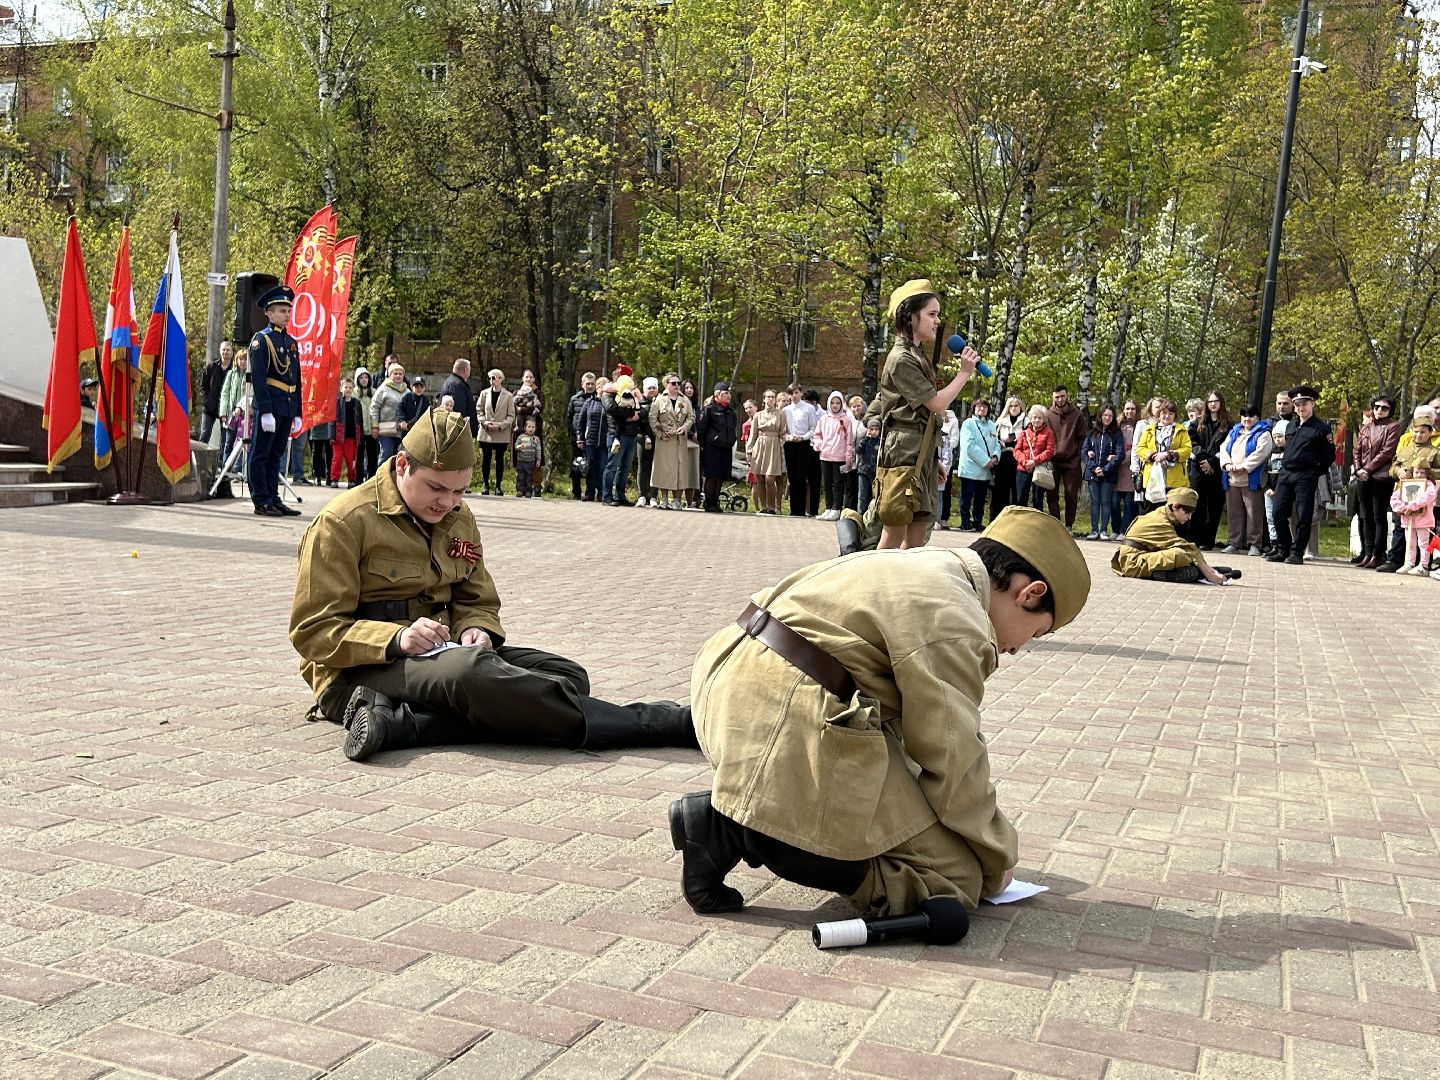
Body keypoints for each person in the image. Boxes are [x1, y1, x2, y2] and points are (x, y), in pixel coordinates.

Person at [670, 507, 1091, 917]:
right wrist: (996, 856)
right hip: (781, 711)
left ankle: (749, 812)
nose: (1018, 648)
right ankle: (740, 829)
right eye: (1035, 632)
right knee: (952, 878)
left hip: (728, 686)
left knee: (909, 820)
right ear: (1029, 593)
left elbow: (914, 735)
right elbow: (952, 757)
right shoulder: (960, 619)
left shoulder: (932, 564)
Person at [289, 408, 696, 760]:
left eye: (459, 490)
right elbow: (313, 631)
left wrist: (475, 628)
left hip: (444, 658)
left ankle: (404, 726)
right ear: (401, 465)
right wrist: (396, 639)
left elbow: (476, 596)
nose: (447, 502)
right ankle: (657, 723)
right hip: (356, 672)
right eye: (436, 487)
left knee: (566, 677)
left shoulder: (457, 517)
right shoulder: (343, 522)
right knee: (483, 678)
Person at [874, 280, 980, 549]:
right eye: (932, 314)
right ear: (911, 316)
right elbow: (936, 404)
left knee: (918, 532)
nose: (937, 321)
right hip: (904, 451)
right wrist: (964, 373)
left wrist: (932, 460)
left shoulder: (916, 355)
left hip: (919, 452)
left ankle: (905, 590)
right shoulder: (901, 358)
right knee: (895, 528)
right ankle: (874, 588)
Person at [248, 285, 303, 518]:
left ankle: (273, 497)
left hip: (287, 404)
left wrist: (298, 412)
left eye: (288, 311)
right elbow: (259, 379)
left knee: (276, 454)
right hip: (270, 405)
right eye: (281, 311)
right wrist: (266, 410)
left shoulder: (291, 342)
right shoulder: (261, 341)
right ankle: (261, 500)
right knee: (261, 453)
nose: (286, 315)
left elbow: (297, 379)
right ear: (269, 313)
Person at [1112, 487, 1242, 585]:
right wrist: (1211, 574)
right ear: (1175, 506)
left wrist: (1208, 569)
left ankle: (1196, 571)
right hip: (1132, 563)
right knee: (1179, 554)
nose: (1189, 517)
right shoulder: (1160, 521)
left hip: (1142, 556)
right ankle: (1164, 573)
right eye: (1187, 512)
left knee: (1183, 555)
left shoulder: (1164, 515)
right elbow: (1185, 547)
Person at [1266, 385, 1335, 566]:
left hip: (1306, 475)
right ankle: (1283, 548)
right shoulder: (1290, 425)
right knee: (1278, 512)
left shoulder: (1321, 429)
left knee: (1303, 515)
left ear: (1312, 404)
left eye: (1304, 404)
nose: (1300, 408)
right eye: (1297, 404)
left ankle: (1297, 552)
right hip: (1286, 473)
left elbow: (1328, 456)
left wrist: (1313, 471)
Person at [1377, 406, 1440, 572]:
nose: (1419, 435)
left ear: (1430, 433)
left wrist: (1425, 473)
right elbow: (1392, 468)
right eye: (1416, 432)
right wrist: (1399, 471)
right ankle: (1399, 561)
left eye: (1423, 433)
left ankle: (1424, 564)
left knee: (1423, 535)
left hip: (1424, 499)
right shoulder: (1404, 448)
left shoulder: (1434, 451)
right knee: (1401, 530)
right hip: (1404, 496)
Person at [1218, 405, 1273, 556]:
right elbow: (1223, 448)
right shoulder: (1235, 431)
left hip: (1251, 480)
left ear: (1257, 417)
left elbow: (1261, 453)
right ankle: (1233, 543)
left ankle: (1255, 544)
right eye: (1244, 416)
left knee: (1253, 513)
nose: (1247, 419)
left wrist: (1243, 467)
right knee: (1234, 513)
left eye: (1251, 416)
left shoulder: (1264, 433)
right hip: (1232, 479)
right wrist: (1227, 464)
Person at [1353, 394, 1400, 568]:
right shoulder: (1366, 428)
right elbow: (1357, 450)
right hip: (1363, 477)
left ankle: (1377, 554)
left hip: (1381, 476)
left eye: (1384, 408)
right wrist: (1358, 469)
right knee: (1365, 516)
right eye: (1377, 407)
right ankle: (1367, 552)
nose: (1380, 410)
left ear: (1390, 410)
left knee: (1379, 515)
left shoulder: (1393, 427)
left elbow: (1387, 452)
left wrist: (1368, 469)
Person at [1187, 390, 1230, 549]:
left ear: (1221, 403)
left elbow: (1227, 446)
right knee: (1197, 503)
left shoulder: (1228, 424)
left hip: (1217, 469)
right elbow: (1192, 443)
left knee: (1214, 506)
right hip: (1198, 468)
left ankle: (1208, 540)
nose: (1213, 404)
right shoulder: (1196, 423)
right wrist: (1203, 460)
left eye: (1216, 401)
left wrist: (1211, 462)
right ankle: (1194, 539)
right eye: (1210, 401)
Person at [1045, 386, 1088, 531]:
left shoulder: (1077, 415)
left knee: (1071, 494)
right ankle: (1056, 525)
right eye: (1056, 397)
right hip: (1053, 461)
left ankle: (1069, 525)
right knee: (1052, 494)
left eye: (1062, 396)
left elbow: (1082, 437)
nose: (1059, 399)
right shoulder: (1047, 415)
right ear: (1053, 397)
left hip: (1072, 461)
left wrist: (1077, 456)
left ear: (1067, 396)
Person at [1135, 399, 1190, 508]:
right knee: (1151, 513)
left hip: (1175, 479)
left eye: (1171, 413)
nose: (1167, 416)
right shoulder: (1149, 430)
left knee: (1173, 513)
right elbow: (1140, 448)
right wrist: (1154, 456)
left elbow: (1187, 450)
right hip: (1152, 478)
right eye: (1164, 413)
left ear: (1175, 415)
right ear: (1159, 415)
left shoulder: (1182, 431)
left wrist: (1167, 455)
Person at [650, 373, 693, 510]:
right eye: (673, 383)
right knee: (664, 469)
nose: (677, 386)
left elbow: (691, 417)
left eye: (678, 383)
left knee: (679, 470)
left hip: (680, 440)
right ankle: (663, 498)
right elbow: (652, 417)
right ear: (666, 384)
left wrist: (685, 428)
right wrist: (660, 433)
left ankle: (677, 500)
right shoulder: (659, 400)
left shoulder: (685, 400)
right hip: (665, 440)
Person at [1081, 404, 1123, 540]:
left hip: (1108, 474)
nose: (1107, 418)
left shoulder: (1117, 433)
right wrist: (1094, 468)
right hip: (1092, 473)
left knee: (1105, 502)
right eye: (1105, 415)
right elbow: (1084, 452)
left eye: (1110, 415)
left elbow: (1119, 454)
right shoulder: (1092, 433)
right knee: (1095, 502)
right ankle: (1094, 530)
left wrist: (1105, 469)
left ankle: (1103, 530)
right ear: (1100, 416)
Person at [696, 381, 739, 513]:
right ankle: (709, 503)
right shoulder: (709, 409)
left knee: (720, 476)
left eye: (729, 393)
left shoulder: (730, 411)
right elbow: (702, 430)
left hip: (725, 448)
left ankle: (716, 502)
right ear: (717, 395)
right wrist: (704, 445)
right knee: (711, 476)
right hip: (712, 448)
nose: (729, 395)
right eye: (726, 393)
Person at [958, 398, 999, 531]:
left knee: (980, 499)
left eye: (984, 407)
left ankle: (977, 521)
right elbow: (969, 446)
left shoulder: (992, 425)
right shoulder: (968, 424)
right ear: (974, 409)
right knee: (967, 497)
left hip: (985, 470)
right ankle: (965, 521)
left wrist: (995, 457)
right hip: (970, 468)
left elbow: (996, 443)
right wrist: (986, 461)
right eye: (979, 407)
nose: (982, 409)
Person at [603, 375, 643, 506]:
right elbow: (612, 409)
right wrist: (632, 415)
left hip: (631, 435)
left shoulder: (633, 392)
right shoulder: (609, 394)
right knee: (612, 466)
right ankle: (607, 496)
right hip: (616, 435)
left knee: (625, 468)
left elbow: (644, 408)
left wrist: (637, 415)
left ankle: (620, 495)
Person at [1389, 466, 1437, 575]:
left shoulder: (1429, 485)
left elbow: (1427, 497)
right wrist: (1402, 508)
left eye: (1422, 472)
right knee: (1410, 543)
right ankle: (1409, 563)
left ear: (1427, 473)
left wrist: (1412, 506)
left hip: (1423, 520)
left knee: (1423, 544)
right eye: (1416, 472)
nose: (1419, 475)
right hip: (1408, 520)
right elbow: (1395, 497)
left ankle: (1423, 565)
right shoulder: (1406, 483)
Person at [813, 391, 853, 521]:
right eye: (832, 403)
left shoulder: (846, 420)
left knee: (838, 483)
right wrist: (819, 445)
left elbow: (849, 440)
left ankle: (837, 508)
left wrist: (848, 457)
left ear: (842, 404)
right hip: (825, 455)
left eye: (838, 403)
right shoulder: (824, 419)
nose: (835, 406)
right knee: (827, 483)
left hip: (840, 457)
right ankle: (828, 507)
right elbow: (817, 435)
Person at [782, 387, 821, 517]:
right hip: (790, 444)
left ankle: (802, 509)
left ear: (800, 393)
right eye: (791, 393)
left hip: (804, 444)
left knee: (802, 477)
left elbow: (813, 428)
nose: (793, 395)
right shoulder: (785, 410)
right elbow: (783, 430)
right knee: (792, 478)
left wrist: (803, 437)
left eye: (796, 392)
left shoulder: (808, 409)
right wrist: (789, 437)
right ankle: (794, 510)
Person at [747, 389, 787, 516]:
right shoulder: (758, 415)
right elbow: (752, 435)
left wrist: (790, 438)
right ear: (763, 399)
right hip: (760, 444)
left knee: (770, 478)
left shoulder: (780, 414)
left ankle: (772, 506)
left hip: (774, 445)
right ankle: (763, 506)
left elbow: (783, 432)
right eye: (768, 397)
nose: (770, 399)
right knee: (759, 477)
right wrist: (749, 451)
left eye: (773, 397)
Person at [478, 368, 516, 496]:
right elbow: (479, 410)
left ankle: (498, 486)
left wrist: (501, 425)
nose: (491, 380)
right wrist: (485, 422)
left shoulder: (508, 396)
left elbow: (511, 415)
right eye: (489, 378)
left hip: (501, 432)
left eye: (493, 378)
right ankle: (485, 484)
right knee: (486, 459)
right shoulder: (484, 393)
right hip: (486, 431)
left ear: (500, 379)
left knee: (499, 459)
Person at [991, 396, 1025, 522]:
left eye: (1016, 405)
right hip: (1004, 457)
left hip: (1019, 458)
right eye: (1011, 406)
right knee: (1000, 490)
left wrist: (1017, 439)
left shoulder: (1025, 420)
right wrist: (1002, 441)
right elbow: (994, 438)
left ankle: (1016, 521)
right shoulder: (1001, 420)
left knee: (1018, 491)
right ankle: (997, 519)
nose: (1013, 408)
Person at [1014, 405, 1054, 511]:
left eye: (1040, 417)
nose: (1037, 420)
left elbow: (1049, 451)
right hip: (1023, 469)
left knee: (1038, 499)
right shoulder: (1024, 433)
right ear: (1030, 418)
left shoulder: (1048, 432)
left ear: (1044, 419)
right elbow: (1017, 450)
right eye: (1034, 417)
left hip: (1039, 469)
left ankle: (1036, 525)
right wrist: (1025, 461)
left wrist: (1035, 461)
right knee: (1020, 498)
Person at [566, 372, 597, 500]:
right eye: (587, 384)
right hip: (577, 438)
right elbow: (569, 417)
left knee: (592, 465)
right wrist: (573, 435)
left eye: (592, 384)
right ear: (582, 384)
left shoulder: (598, 399)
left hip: (592, 439)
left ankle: (590, 492)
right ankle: (576, 492)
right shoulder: (575, 399)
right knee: (576, 465)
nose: (590, 386)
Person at [218, 347, 250, 469]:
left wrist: (241, 408)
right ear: (236, 360)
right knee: (228, 442)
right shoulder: (231, 374)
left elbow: (250, 393)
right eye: (240, 359)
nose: (242, 362)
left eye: (245, 359)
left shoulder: (250, 375)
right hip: (231, 414)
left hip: (244, 414)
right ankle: (226, 468)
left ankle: (239, 468)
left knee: (241, 443)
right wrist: (223, 413)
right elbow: (225, 394)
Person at [372, 362, 408, 465]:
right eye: (395, 373)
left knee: (400, 457)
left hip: (401, 430)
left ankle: (395, 479)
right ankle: (380, 478)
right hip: (386, 429)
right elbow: (374, 407)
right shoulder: (383, 388)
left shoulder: (407, 391)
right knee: (386, 454)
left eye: (400, 374)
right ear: (390, 374)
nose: (398, 376)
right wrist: (374, 426)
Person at [329, 377, 362, 488]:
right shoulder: (336, 402)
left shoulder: (356, 403)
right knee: (337, 459)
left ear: (353, 389)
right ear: (341, 388)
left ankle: (352, 479)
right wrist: (332, 435)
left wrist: (359, 436)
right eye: (345, 387)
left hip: (351, 437)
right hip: (338, 436)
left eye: (350, 387)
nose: (348, 389)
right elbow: (332, 420)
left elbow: (359, 421)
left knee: (350, 460)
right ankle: (334, 479)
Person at [199, 341, 232, 448]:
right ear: (220, 351)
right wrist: (206, 401)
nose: (225, 352)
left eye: (228, 350)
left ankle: (221, 464)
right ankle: (199, 462)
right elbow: (202, 386)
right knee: (204, 436)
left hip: (226, 410)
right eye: (223, 349)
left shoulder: (235, 369)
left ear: (232, 352)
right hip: (210, 408)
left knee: (225, 440)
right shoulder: (212, 366)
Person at [1115, 399, 1140, 536]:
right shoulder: (1118, 425)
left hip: (1130, 466)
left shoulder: (1139, 425)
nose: (1130, 411)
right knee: (1115, 501)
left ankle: (1124, 530)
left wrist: (1123, 457)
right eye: (1127, 409)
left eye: (1132, 409)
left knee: (1130, 501)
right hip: (1116, 468)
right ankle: (1115, 528)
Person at [935, 403, 962, 530]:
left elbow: (953, 444)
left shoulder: (951, 419)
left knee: (940, 495)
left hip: (942, 466)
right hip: (928, 468)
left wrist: (943, 469)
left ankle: (939, 519)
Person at [636, 377, 660, 507]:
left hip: (657, 438)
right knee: (643, 466)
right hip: (642, 438)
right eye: (649, 388)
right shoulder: (639, 402)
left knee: (655, 467)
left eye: (654, 388)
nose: (651, 390)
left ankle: (654, 496)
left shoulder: (661, 402)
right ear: (644, 390)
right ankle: (642, 495)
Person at [681, 380, 703, 509]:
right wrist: (690, 434)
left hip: (696, 444)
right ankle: (678, 499)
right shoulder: (679, 404)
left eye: (691, 388)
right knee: (681, 471)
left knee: (692, 472)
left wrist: (699, 436)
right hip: (682, 440)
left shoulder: (697, 407)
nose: (689, 390)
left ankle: (692, 500)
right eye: (687, 387)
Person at [351, 368, 377, 482]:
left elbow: (376, 411)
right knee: (359, 455)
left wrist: (375, 426)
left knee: (372, 455)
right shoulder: (354, 393)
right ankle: (358, 479)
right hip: (359, 430)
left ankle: (371, 478)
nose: (364, 380)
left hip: (372, 429)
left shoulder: (375, 392)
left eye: (366, 377)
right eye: (361, 378)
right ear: (357, 379)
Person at [440, 358, 476, 438]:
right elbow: (459, 410)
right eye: (470, 370)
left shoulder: (453, 382)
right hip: (457, 433)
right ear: (466, 370)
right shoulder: (456, 385)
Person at [512, 369, 544, 448]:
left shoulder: (539, 394)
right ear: (522, 378)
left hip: (534, 428)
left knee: (534, 453)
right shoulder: (516, 393)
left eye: (531, 377)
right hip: (519, 428)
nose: (528, 379)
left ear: (534, 379)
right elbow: (512, 408)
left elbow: (539, 409)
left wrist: (521, 409)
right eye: (526, 377)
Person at [855, 416, 880, 516]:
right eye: (871, 429)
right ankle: (860, 516)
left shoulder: (881, 442)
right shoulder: (864, 441)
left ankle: (874, 517)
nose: (873, 432)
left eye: (876, 429)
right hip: (863, 471)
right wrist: (865, 438)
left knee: (875, 497)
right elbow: (858, 450)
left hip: (875, 473)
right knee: (862, 497)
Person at [513, 417, 543, 498]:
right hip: (521, 460)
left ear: (535, 429)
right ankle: (520, 490)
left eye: (533, 427)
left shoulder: (536, 439)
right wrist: (519, 447)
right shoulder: (521, 437)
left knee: (529, 477)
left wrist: (538, 460)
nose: (531, 429)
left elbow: (538, 450)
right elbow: (516, 446)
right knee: (520, 476)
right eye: (529, 427)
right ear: (525, 428)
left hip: (530, 461)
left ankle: (528, 491)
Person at [309, 407, 335, 488]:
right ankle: (317, 476)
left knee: (330, 453)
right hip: (317, 424)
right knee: (317, 452)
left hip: (329, 424)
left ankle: (329, 476)